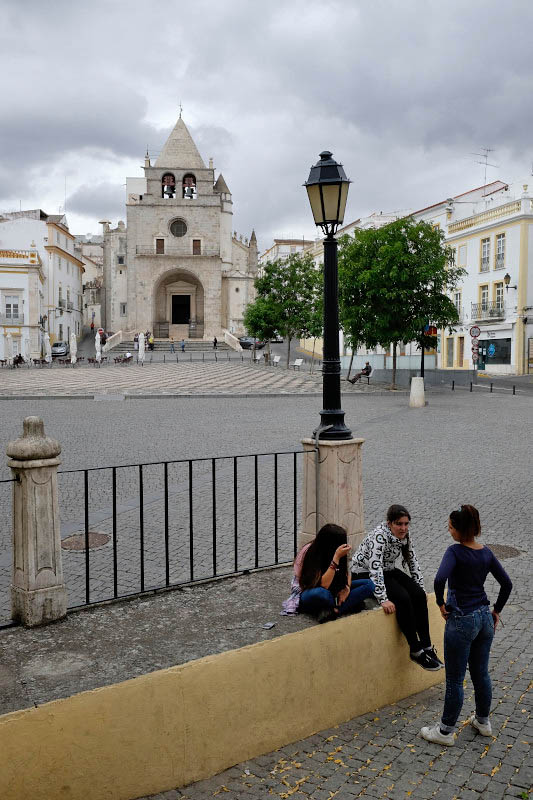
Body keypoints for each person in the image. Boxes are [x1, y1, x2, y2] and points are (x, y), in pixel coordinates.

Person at [420, 505, 512, 746]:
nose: (448, 531)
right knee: (481, 672)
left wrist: (440, 603)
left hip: (462, 619)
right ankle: (483, 721)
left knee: (454, 679)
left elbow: (440, 578)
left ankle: (445, 731)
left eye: (450, 527)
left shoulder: (455, 551)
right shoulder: (486, 552)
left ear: (459, 530)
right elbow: (507, 583)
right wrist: (496, 611)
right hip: (483, 617)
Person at [352, 505, 443, 670]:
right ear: (389, 524)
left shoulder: (405, 535)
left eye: (406, 524)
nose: (403, 528)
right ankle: (415, 649)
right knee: (402, 598)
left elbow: (412, 561)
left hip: (388, 569)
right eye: (399, 524)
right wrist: (383, 598)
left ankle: (427, 646)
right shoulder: (379, 537)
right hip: (364, 573)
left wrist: (420, 586)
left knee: (418, 595)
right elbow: (375, 567)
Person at [282, 523, 375, 623]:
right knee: (323, 594)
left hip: (334, 590)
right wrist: (336, 558)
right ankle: (344, 606)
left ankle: (332, 610)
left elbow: (346, 572)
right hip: (310, 590)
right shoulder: (309, 552)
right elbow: (323, 585)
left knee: (369, 585)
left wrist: (346, 588)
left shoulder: (337, 550)